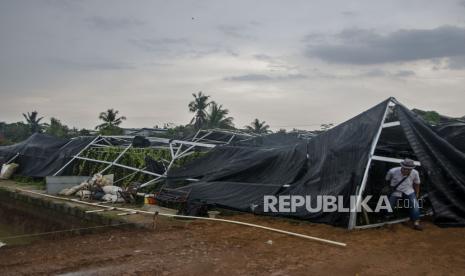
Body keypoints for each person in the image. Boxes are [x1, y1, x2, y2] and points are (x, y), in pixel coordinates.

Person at [385, 158, 422, 231]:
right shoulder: (392, 171)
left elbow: (417, 184)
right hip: (396, 190)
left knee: (415, 204)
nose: (406, 170)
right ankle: (387, 218)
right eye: (405, 168)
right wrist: (390, 188)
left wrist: (417, 194)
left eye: (409, 169)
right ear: (402, 166)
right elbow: (387, 180)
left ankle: (416, 222)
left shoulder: (415, 173)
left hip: (408, 190)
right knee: (389, 204)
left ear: (411, 169)